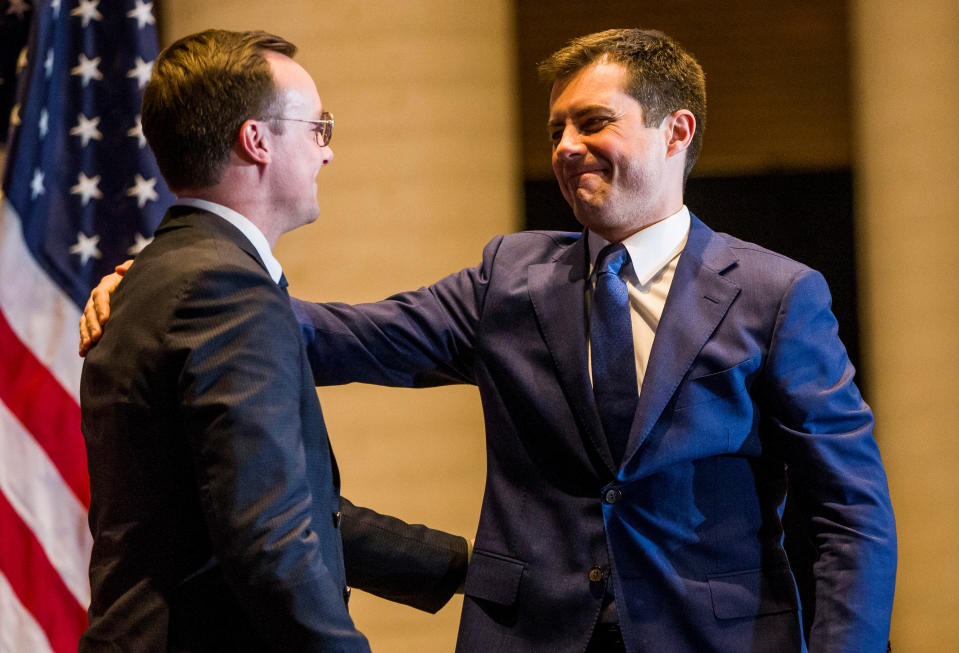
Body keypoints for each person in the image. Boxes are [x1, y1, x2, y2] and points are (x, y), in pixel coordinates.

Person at [81, 28, 896, 652]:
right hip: (527, 636)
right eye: (555, 129)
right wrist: (165, 291)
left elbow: (849, 513)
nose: (567, 146)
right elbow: (342, 336)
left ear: (675, 130)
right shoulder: (511, 275)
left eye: (593, 121)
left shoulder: (776, 294)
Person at [78, 29, 467, 652]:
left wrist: (467, 569)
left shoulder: (158, 276)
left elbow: (257, 508)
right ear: (257, 141)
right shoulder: (222, 285)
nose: (327, 153)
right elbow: (268, 537)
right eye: (318, 128)